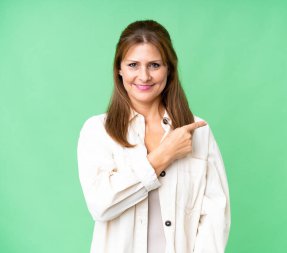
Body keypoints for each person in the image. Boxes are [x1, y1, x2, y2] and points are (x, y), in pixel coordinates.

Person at [77, 20, 230, 253]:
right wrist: (162, 156)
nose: (144, 76)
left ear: (169, 69)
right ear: (119, 68)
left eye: (155, 65)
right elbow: (101, 205)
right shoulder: (98, 131)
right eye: (133, 65)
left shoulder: (197, 130)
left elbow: (215, 216)